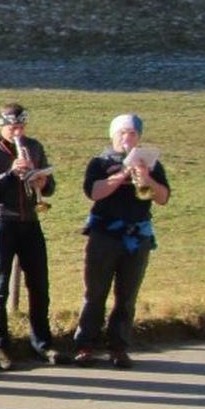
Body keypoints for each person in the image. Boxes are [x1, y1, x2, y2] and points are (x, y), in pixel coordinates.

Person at [73, 114, 171, 368]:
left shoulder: (151, 163)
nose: (127, 138)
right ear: (113, 135)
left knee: (127, 295)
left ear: (139, 137)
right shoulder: (100, 161)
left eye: (132, 134)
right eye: (122, 133)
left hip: (138, 236)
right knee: (95, 292)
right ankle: (85, 345)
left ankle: (119, 346)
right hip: (104, 235)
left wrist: (146, 178)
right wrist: (122, 174)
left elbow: (162, 198)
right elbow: (94, 192)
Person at [0, 103, 57, 369]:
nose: (17, 132)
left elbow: (51, 186)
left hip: (30, 220)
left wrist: (43, 182)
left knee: (40, 285)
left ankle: (42, 343)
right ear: (1, 125)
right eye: (12, 127)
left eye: (20, 126)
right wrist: (11, 174)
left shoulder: (34, 146)